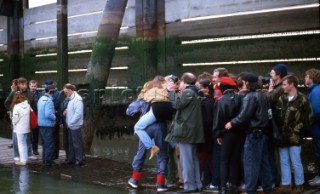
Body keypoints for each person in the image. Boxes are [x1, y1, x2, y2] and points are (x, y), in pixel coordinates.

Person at [225, 72, 273, 194]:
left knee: (250, 164)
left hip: (253, 134)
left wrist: (232, 123)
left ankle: (250, 190)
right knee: (264, 163)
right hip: (263, 133)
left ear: (246, 82)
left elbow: (244, 115)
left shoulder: (250, 96)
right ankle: (268, 189)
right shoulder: (263, 95)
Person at [166, 72, 205, 193]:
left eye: (181, 82)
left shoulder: (188, 92)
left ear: (185, 82)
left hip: (187, 132)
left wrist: (171, 92)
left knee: (186, 160)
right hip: (193, 131)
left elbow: (177, 105)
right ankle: (197, 184)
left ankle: (189, 186)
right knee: (193, 159)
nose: (180, 84)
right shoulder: (197, 92)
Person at [274, 75, 313, 194]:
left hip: (295, 136)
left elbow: (309, 118)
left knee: (296, 161)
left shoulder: (302, 99)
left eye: (285, 84)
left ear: (292, 85)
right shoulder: (281, 98)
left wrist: (296, 129)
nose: (282, 86)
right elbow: (276, 116)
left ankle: (299, 185)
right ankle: (286, 185)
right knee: (284, 160)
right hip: (282, 136)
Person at [126, 99, 169, 192]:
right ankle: (160, 184)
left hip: (145, 127)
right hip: (160, 127)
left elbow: (129, 111)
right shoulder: (165, 98)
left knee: (141, 153)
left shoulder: (143, 99)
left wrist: (140, 109)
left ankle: (134, 180)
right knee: (162, 155)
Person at [213, 77, 244, 194]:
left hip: (226, 135)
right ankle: (234, 185)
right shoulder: (241, 98)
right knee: (235, 160)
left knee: (224, 160)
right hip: (240, 133)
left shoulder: (220, 101)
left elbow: (217, 121)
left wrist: (218, 134)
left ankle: (223, 187)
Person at [134, 75, 173, 160]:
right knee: (168, 129)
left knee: (138, 127)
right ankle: (176, 145)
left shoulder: (149, 84)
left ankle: (152, 146)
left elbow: (140, 98)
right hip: (169, 108)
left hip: (157, 107)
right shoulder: (167, 84)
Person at [4, 77, 38, 162]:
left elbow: (35, 103)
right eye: (22, 84)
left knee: (28, 137)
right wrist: (13, 110)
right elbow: (7, 103)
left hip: (27, 119)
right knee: (16, 138)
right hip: (16, 118)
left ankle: (29, 153)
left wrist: (32, 112)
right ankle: (16, 155)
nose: (24, 86)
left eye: (25, 84)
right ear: (18, 84)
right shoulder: (13, 93)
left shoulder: (30, 93)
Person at [304, 68, 320, 186]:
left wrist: (306, 123)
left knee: (319, 153)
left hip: (317, 130)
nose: (304, 78)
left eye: (306, 76)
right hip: (316, 130)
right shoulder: (314, 91)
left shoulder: (316, 92)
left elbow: (315, 112)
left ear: (311, 78)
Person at [64, 83, 85, 165]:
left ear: (71, 90)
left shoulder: (77, 99)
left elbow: (78, 113)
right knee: (71, 143)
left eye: (66, 92)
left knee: (76, 143)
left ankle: (79, 160)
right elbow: (74, 110)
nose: (65, 94)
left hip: (74, 125)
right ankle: (71, 159)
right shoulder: (72, 98)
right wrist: (67, 110)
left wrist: (71, 122)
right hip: (71, 125)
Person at [41, 79, 61, 160]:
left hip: (43, 121)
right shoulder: (57, 94)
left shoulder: (42, 95)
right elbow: (57, 105)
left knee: (46, 140)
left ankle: (46, 157)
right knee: (53, 139)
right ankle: (52, 156)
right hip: (52, 119)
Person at [37, 85, 56, 166]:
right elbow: (48, 114)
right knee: (49, 143)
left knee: (44, 143)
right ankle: (48, 162)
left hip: (41, 124)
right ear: (52, 92)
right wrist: (55, 117)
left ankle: (45, 159)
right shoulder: (49, 101)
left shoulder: (40, 99)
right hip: (48, 125)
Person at [11, 92, 31, 166]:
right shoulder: (28, 105)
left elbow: (15, 119)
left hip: (19, 128)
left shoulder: (16, 107)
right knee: (25, 143)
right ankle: (25, 158)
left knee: (20, 144)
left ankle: (23, 160)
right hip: (27, 127)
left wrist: (13, 124)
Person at [29, 80, 41, 155]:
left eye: (35, 86)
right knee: (28, 134)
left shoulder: (39, 95)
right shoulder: (26, 94)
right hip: (27, 116)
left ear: (37, 87)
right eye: (32, 86)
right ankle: (28, 149)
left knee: (35, 134)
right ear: (29, 86)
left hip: (36, 116)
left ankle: (35, 149)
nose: (33, 88)